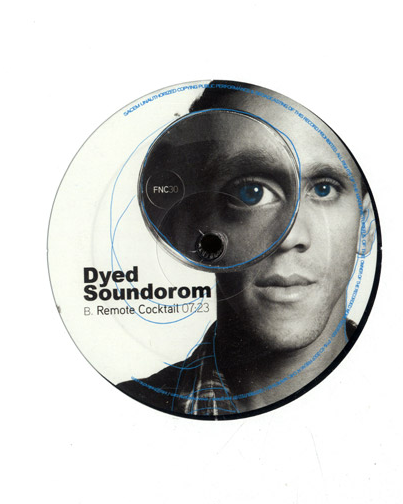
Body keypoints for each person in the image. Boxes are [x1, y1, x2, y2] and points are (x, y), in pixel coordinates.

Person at [118, 82, 376, 417]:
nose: (290, 236)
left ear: (365, 226)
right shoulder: (117, 416)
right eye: (251, 192)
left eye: (324, 190)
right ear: (195, 227)